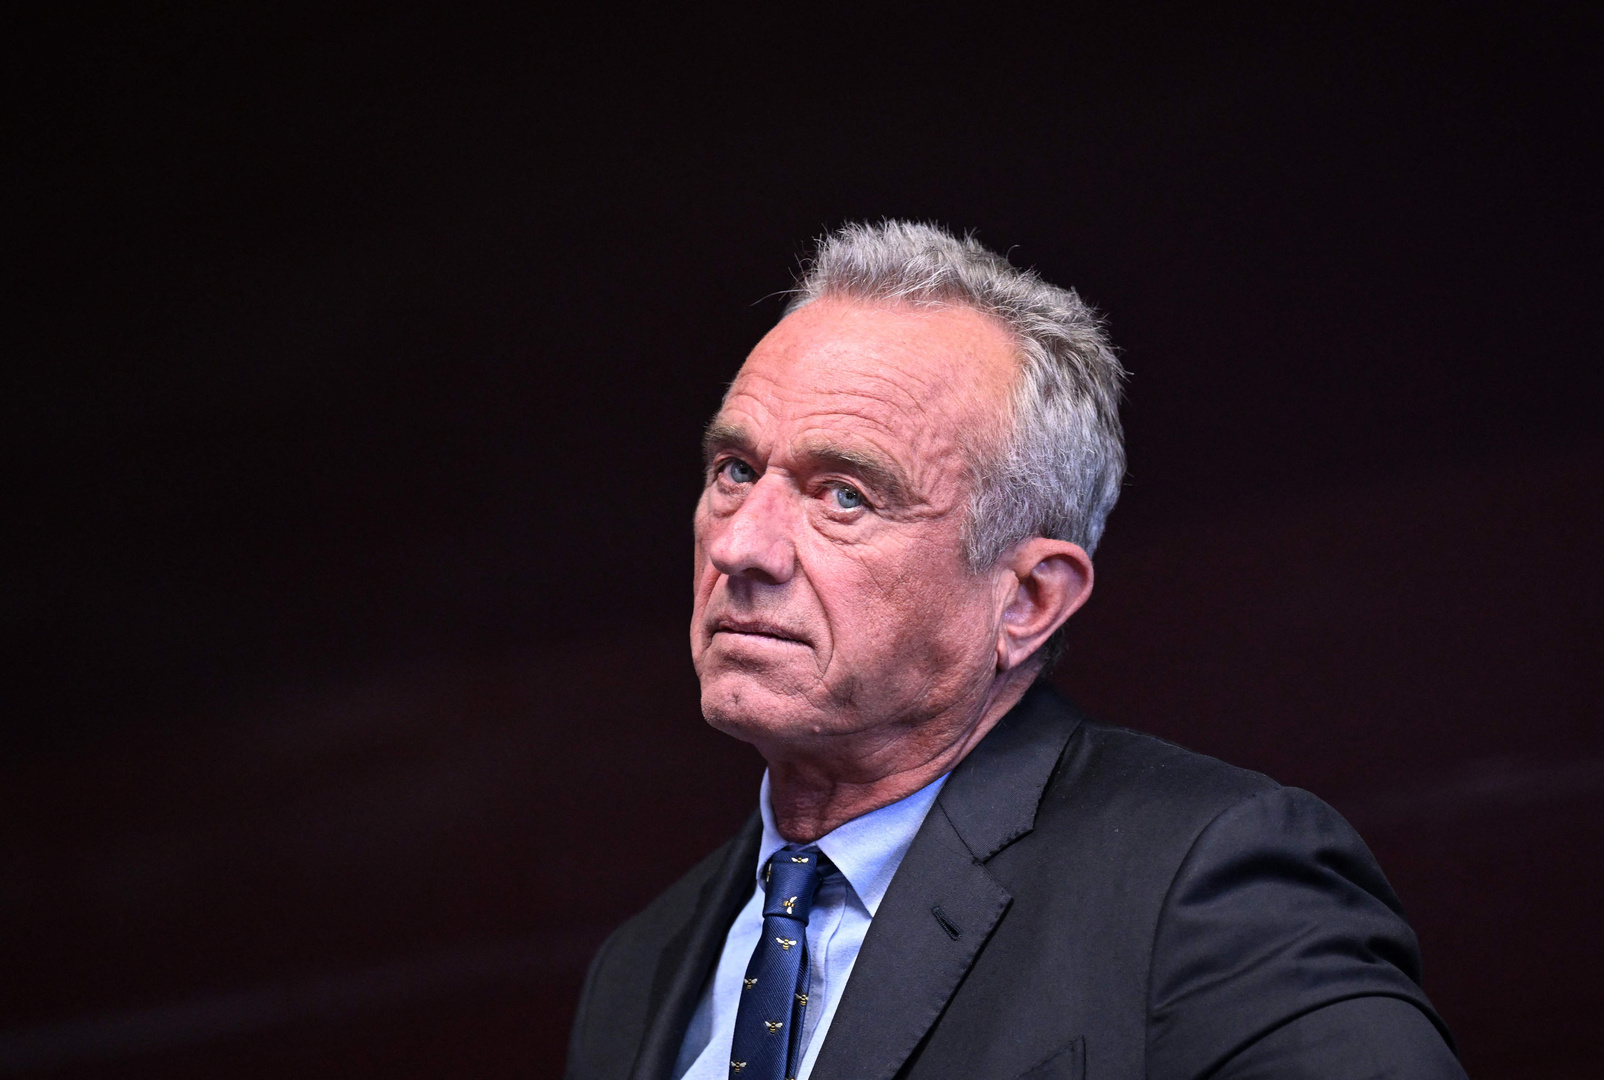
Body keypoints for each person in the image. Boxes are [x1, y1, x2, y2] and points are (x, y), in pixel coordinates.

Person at [565, 222, 1464, 1080]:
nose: (740, 546)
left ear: (1028, 600)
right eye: (735, 471)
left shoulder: (1206, 886)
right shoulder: (639, 968)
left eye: (844, 496)